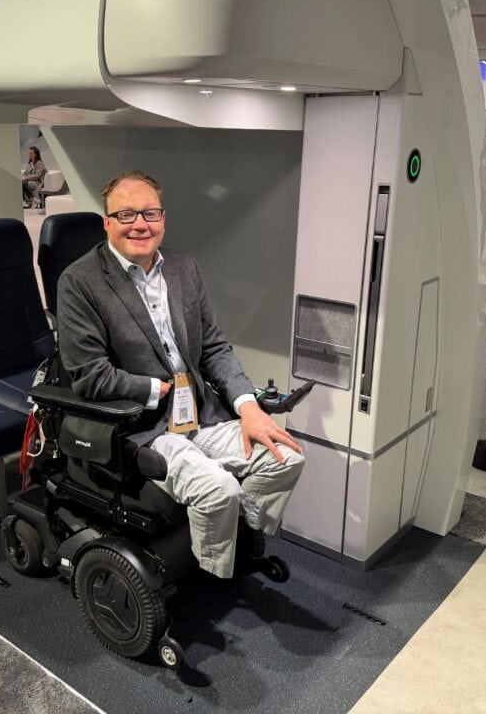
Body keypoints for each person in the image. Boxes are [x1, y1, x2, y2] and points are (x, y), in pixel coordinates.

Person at [56, 170, 305, 579]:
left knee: (286, 459)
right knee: (218, 489)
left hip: (202, 415)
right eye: (126, 214)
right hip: (144, 425)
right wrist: (159, 390)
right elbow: (89, 377)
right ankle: (213, 570)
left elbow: (213, 347)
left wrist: (248, 408)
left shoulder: (184, 269)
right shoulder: (80, 283)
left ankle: (233, 531)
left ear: (163, 218)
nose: (140, 224)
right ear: (107, 222)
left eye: (150, 213)